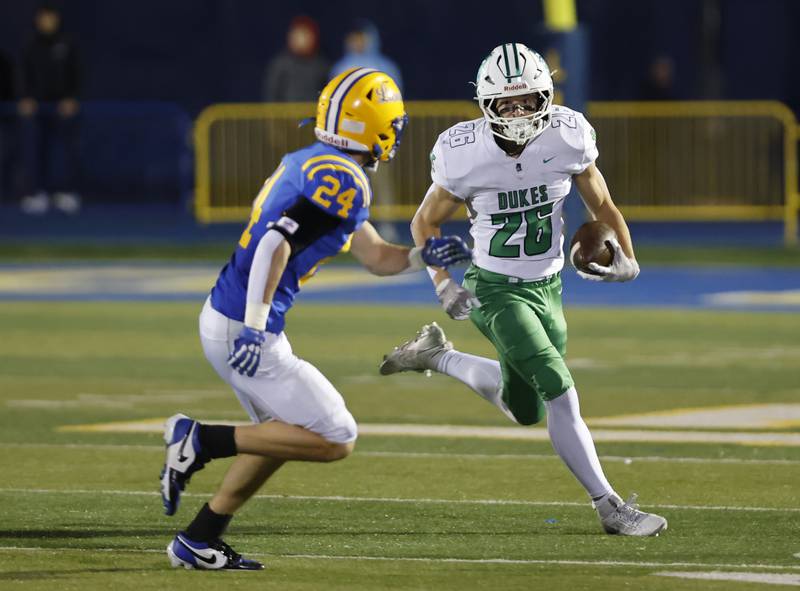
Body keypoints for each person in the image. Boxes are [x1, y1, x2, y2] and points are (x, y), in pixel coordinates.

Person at [159, 67, 472, 570]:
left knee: (286, 434)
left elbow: (375, 257)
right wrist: (257, 325)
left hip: (230, 317)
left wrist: (423, 256)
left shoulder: (317, 162)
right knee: (335, 436)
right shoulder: (344, 180)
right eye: (392, 123)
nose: (396, 133)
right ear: (375, 126)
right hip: (246, 327)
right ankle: (199, 440)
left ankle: (199, 537)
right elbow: (275, 243)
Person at [380, 43, 668, 537]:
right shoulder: (463, 153)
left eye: (528, 101)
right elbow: (423, 221)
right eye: (505, 104)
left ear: (547, 98)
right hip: (493, 290)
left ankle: (436, 356)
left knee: (525, 409)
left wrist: (630, 261)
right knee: (560, 392)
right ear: (486, 106)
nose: (517, 113)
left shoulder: (568, 136)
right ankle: (611, 507)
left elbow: (604, 206)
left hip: (548, 287)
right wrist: (444, 284)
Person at [18, 4, 82, 215]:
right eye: (44, 18)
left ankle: (66, 192)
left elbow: (76, 73)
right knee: (36, 150)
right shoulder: (30, 46)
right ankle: (36, 193)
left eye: (51, 18)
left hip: (62, 108)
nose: (48, 22)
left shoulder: (67, 44)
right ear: (38, 20)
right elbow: (23, 74)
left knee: (65, 151)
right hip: (37, 109)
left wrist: (72, 98)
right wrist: (25, 98)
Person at [262, 15, 330, 102]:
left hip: (314, 114)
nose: (301, 40)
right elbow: (271, 95)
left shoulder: (322, 66)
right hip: (285, 114)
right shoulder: (280, 65)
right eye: (297, 35)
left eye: (305, 35)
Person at [330, 19, 402, 92]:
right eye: (355, 39)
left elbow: (396, 92)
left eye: (361, 39)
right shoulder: (340, 67)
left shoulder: (386, 66)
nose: (358, 43)